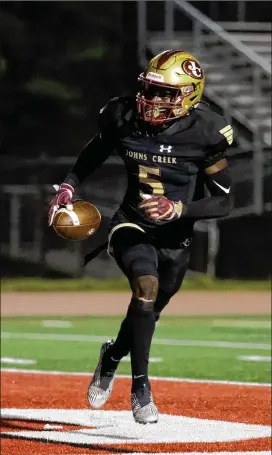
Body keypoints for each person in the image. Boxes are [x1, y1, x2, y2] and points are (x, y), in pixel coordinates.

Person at [48, 50, 233, 424]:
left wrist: (178, 209)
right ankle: (141, 388)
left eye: (166, 94)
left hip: (176, 234)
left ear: (190, 95)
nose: (154, 100)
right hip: (130, 221)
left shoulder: (206, 131)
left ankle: (112, 355)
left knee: (149, 310)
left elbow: (225, 202)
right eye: (150, 89)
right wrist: (69, 185)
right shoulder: (123, 116)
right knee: (144, 288)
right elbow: (98, 148)